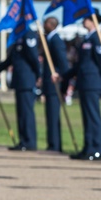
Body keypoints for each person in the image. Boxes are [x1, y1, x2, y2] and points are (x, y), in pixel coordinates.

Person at [0, 29, 40, 151]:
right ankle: (23, 140)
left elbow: (34, 58)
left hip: (26, 80)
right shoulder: (18, 36)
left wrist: (38, 76)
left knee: (27, 113)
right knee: (21, 113)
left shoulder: (28, 34)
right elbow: (10, 60)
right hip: (19, 81)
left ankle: (30, 142)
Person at [67, 15, 101, 160]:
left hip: (93, 83)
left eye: (85, 19)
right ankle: (88, 147)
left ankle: (97, 149)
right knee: (86, 117)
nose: (83, 21)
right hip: (85, 82)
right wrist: (65, 75)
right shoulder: (86, 39)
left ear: (93, 20)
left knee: (93, 117)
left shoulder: (97, 38)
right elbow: (80, 64)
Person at [41, 17, 68, 153]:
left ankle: (55, 145)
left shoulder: (56, 40)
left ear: (51, 25)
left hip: (54, 84)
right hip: (48, 83)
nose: (42, 25)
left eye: (45, 23)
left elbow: (63, 63)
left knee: (53, 115)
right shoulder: (48, 39)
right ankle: (52, 143)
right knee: (50, 116)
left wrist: (62, 80)